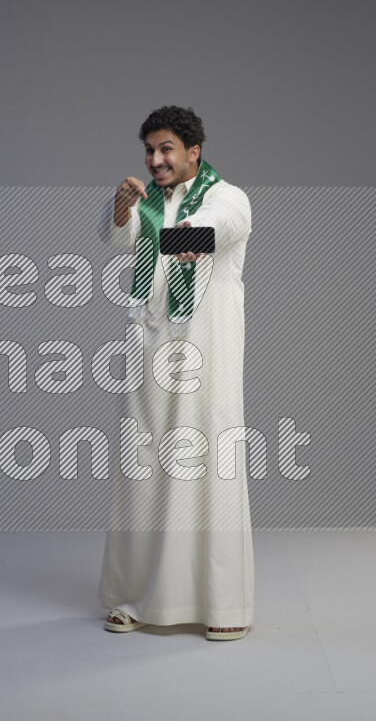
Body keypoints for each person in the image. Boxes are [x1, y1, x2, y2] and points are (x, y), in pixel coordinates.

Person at [96, 106, 254, 641]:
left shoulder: (228, 198)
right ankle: (132, 598)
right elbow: (113, 238)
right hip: (149, 353)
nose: (155, 159)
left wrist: (185, 232)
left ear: (194, 152)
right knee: (141, 469)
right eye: (149, 150)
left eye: (166, 149)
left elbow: (213, 231)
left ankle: (223, 605)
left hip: (206, 358)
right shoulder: (148, 204)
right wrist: (121, 209)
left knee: (210, 469)